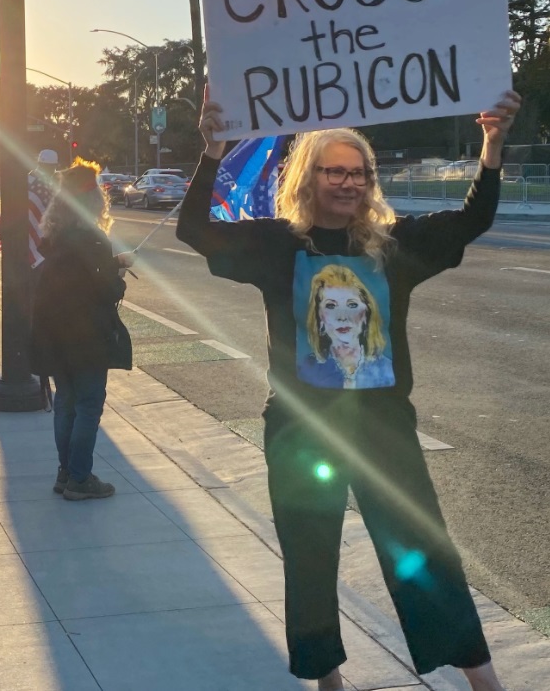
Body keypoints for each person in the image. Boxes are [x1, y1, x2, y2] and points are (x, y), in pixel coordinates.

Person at [177, 88, 521, 691]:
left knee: (423, 553)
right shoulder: (276, 245)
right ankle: (326, 677)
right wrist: (212, 152)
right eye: (333, 171)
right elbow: (195, 230)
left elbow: (474, 219)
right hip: (300, 431)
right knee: (310, 561)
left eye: (358, 172)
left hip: (383, 427)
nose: (347, 182)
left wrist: (491, 144)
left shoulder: (392, 245)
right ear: (309, 177)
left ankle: (481, 678)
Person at [30, 159, 134, 501]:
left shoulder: (55, 237)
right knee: (89, 405)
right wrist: (117, 275)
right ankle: (80, 478)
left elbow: (77, 275)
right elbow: (104, 290)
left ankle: (65, 472)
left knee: (66, 403)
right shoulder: (92, 238)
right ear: (93, 201)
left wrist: (111, 263)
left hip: (55, 334)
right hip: (86, 337)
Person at [298, 263, 394, 389]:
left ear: (367, 314)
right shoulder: (308, 368)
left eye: (352, 305)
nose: (342, 316)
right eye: (331, 306)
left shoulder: (386, 370)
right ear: (320, 318)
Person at [28, 149, 60, 411]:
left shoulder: (27, 182)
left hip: (29, 255)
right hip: (45, 255)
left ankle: (41, 381)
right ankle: (44, 383)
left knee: (34, 314)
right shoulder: (51, 187)